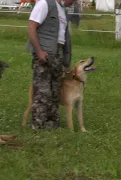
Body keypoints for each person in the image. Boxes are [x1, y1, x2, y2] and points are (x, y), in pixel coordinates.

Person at [26, 0, 76, 130]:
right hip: (45, 53)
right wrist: (39, 51)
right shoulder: (44, 4)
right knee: (43, 91)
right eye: (73, 0)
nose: (73, 3)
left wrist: (66, 62)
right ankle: (38, 124)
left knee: (55, 90)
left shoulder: (63, 11)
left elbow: (65, 39)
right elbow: (31, 27)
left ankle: (52, 124)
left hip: (58, 54)